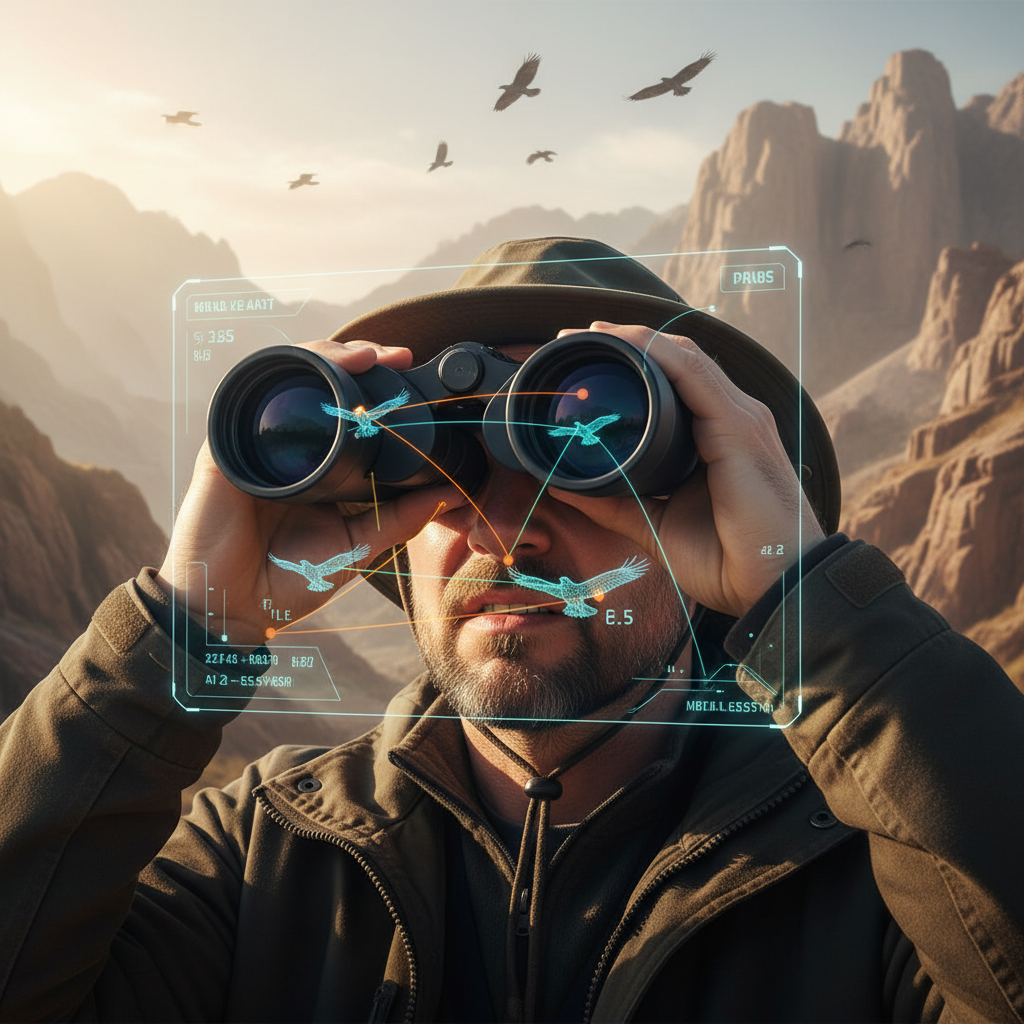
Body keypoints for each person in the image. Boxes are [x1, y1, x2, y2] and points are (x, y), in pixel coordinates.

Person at [0, 237, 1022, 1024]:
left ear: (704, 496)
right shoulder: (261, 856)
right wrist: (184, 626)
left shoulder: (881, 873)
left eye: (590, 445)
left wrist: (797, 596)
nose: (501, 523)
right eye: (436, 460)